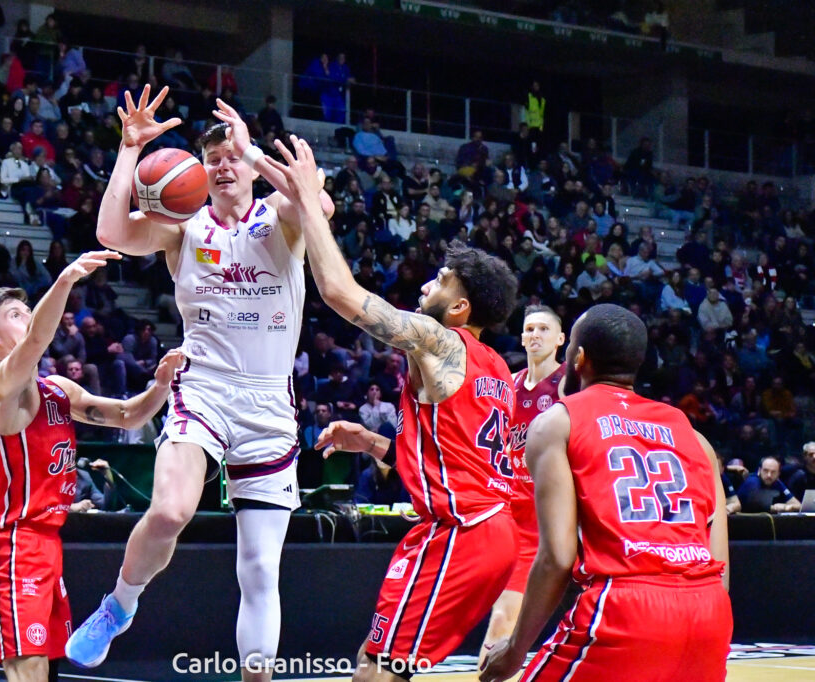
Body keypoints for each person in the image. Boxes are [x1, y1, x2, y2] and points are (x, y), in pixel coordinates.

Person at [64, 88, 332, 682]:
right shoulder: (183, 229)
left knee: (260, 570)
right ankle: (120, 606)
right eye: (213, 161)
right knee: (169, 511)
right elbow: (111, 231)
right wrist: (130, 151)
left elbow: (320, 205)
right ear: (200, 174)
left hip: (269, 403)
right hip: (203, 386)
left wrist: (254, 148)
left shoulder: (281, 218)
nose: (224, 166)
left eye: (231, 158)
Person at [268, 135, 520, 678]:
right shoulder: (496, 368)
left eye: (442, 279)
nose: (428, 281)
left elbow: (337, 291)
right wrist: (375, 442)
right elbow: (458, 459)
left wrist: (309, 201)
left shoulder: (438, 338)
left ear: (458, 306)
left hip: (462, 530)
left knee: (378, 667)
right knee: (379, 662)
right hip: (485, 529)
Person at [480, 304, 732, 682]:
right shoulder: (696, 438)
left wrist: (515, 651)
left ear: (578, 358)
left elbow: (557, 558)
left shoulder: (558, 421)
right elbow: (720, 562)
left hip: (626, 604)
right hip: (709, 611)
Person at [0, 253, 181, 682]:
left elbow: (126, 415)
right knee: (25, 668)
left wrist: (161, 386)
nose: (27, 318)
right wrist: (66, 279)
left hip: (49, 541)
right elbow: (34, 344)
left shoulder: (56, 388)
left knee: (49, 668)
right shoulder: (4, 390)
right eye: (16, 313)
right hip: (13, 542)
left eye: (28, 310)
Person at [478, 305, 566, 666]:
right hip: (508, 519)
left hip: (551, 522)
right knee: (501, 620)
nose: (535, 335)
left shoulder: (569, 387)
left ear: (561, 339)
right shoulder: (506, 386)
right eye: (529, 328)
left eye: (544, 329)